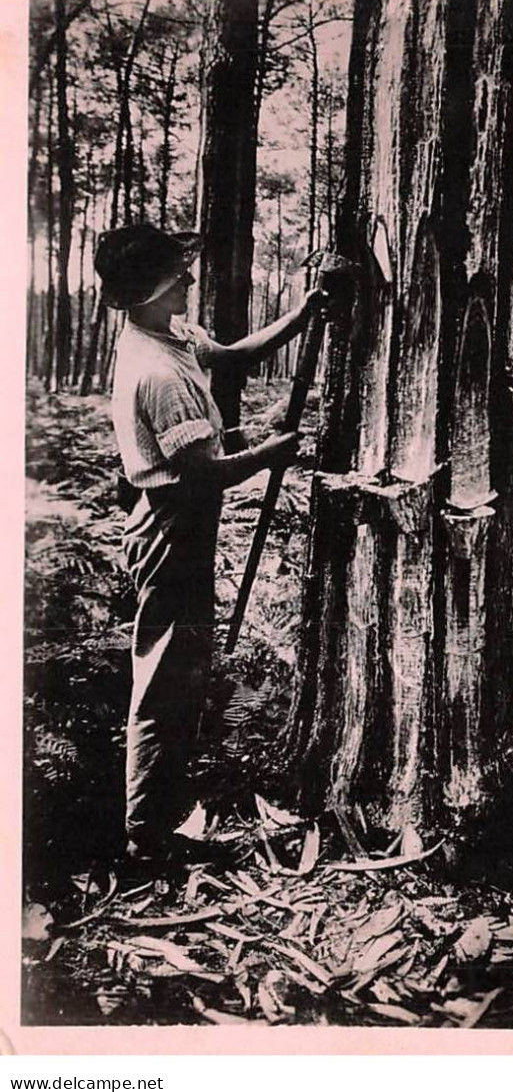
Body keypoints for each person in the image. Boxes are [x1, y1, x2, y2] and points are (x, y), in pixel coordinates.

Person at [94, 223, 323, 865]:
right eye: (177, 275)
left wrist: (305, 311)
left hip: (185, 522)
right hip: (171, 526)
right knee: (163, 682)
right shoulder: (155, 372)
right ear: (151, 290)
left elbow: (231, 355)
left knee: (181, 672)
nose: (190, 279)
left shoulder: (170, 334)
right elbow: (202, 474)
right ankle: (146, 838)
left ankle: (166, 812)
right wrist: (268, 452)